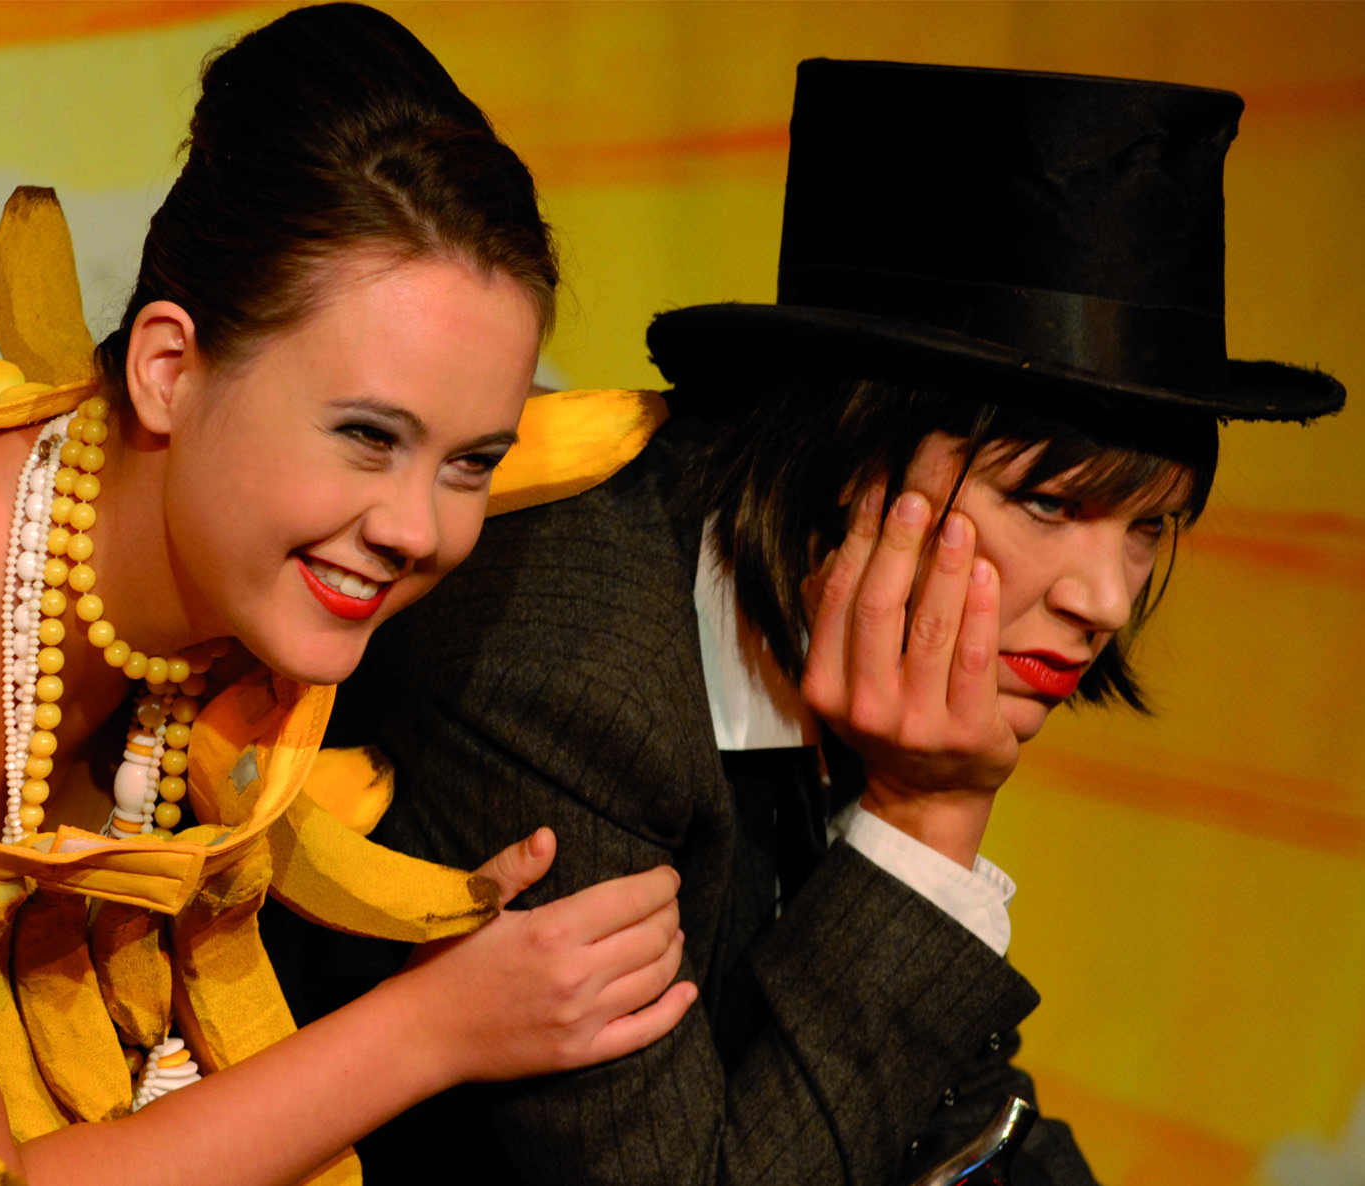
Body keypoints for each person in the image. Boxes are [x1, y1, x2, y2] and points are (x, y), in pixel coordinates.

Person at [0, 5, 694, 1185]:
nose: (416, 529)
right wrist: (431, 1029)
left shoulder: (221, 609)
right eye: (367, 437)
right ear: (167, 370)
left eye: (469, 461)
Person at [285, 59, 1348, 1184]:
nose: (1107, 598)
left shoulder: (855, 621)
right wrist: (927, 821)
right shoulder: (564, 668)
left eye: (1148, 526)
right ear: (852, 446)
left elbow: (960, 1124)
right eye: (1045, 500)